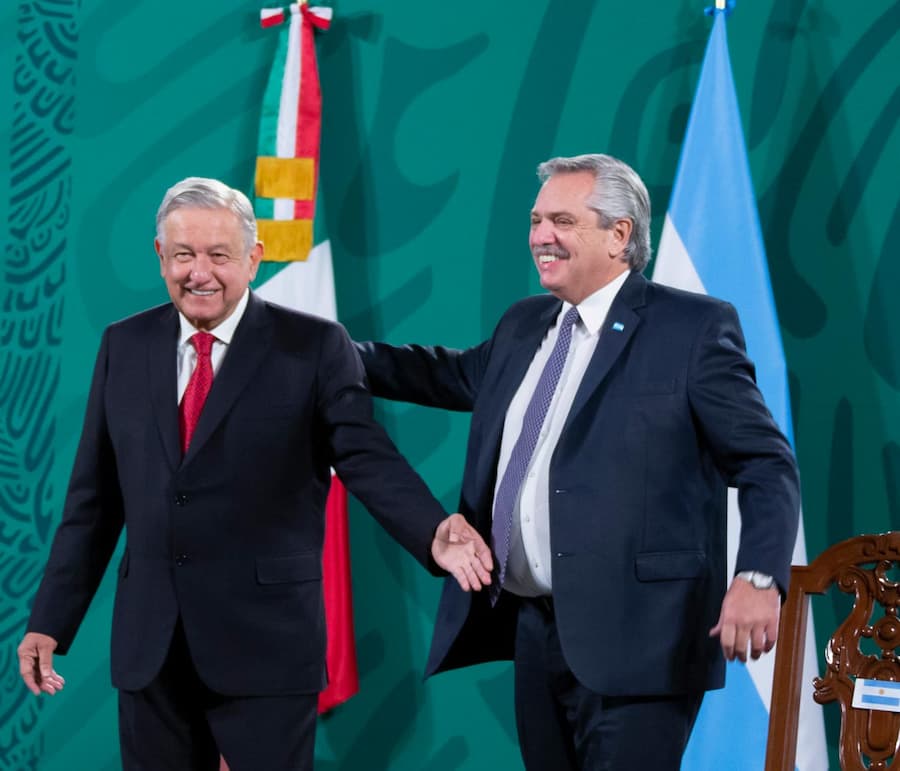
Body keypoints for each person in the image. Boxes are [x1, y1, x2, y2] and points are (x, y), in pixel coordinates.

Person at [16, 177, 493, 771]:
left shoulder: (314, 344)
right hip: (151, 647)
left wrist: (431, 530)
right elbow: (93, 500)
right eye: (184, 255)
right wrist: (51, 622)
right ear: (160, 256)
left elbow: (365, 456)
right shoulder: (124, 344)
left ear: (253, 259)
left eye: (219, 255)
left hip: (267, 642)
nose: (201, 273)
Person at [357, 154, 800, 770]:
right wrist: (322, 353)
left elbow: (765, 463)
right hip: (536, 631)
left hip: (644, 637)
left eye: (561, 219)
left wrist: (757, 578)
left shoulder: (691, 328)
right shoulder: (525, 323)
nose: (541, 235)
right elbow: (443, 373)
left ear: (619, 235)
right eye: (537, 220)